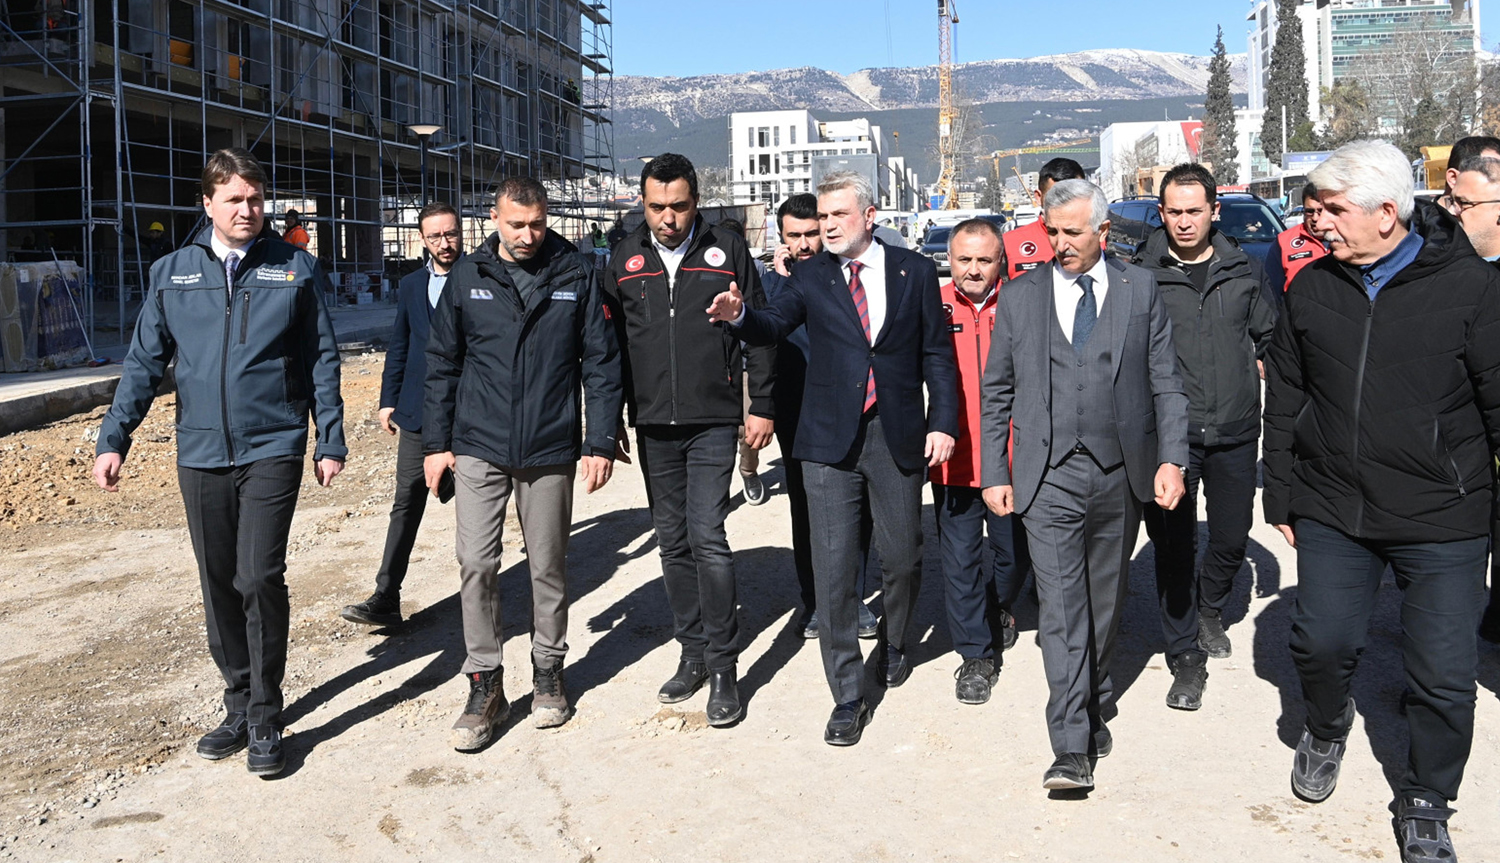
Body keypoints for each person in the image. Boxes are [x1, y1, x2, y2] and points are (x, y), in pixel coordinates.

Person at [1262, 140, 1500, 863]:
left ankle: (1428, 795)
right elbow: (1288, 398)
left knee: (1442, 670)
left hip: (1443, 515)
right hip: (1337, 506)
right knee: (1321, 639)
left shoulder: (1472, 288)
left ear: (1387, 212)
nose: (1318, 224)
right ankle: (1327, 726)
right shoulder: (1311, 288)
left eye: (1333, 210)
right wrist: (1281, 490)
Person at [92, 148, 346, 777]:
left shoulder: (295, 269)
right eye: (234, 199)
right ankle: (237, 701)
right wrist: (113, 439)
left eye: (256, 199)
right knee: (217, 581)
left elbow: (322, 358)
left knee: (258, 576)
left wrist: (329, 438)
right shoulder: (172, 273)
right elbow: (144, 363)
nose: (247, 210)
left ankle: (264, 712)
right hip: (200, 450)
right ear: (207, 204)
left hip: (272, 444)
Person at [709, 170, 959, 747]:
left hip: (894, 433)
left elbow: (937, 356)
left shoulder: (914, 272)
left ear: (868, 217)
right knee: (835, 569)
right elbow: (773, 324)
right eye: (822, 218)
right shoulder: (808, 275)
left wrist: (942, 421)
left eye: (837, 216)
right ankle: (846, 693)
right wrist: (740, 316)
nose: (827, 227)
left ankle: (896, 641)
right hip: (825, 441)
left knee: (902, 557)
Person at [979, 178, 1189, 791]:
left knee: (1104, 601)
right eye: (1052, 231)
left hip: (1121, 474)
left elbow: (1166, 383)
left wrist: (1171, 458)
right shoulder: (1020, 297)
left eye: (1072, 232)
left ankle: (1094, 696)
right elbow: (996, 392)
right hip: (1048, 479)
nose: (1059, 243)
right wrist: (995, 470)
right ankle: (1070, 744)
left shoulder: (1140, 289)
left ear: (1103, 233)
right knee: (1062, 610)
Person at [424, 177, 622, 749]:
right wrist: (438, 444)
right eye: (516, 224)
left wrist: (600, 441)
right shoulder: (468, 275)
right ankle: (485, 682)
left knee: (548, 565)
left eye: (537, 223)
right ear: (494, 218)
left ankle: (548, 670)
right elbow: (442, 363)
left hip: (550, 446)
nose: (529, 234)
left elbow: (601, 364)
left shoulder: (574, 272)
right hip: (479, 444)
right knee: (476, 562)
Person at [603, 153, 774, 728]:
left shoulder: (728, 252)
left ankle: (725, 667)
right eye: (656, 207)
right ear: (642, 204)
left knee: (708, 535)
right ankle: (693, 650)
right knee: (671, 541)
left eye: (678, 206)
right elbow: (607, 351)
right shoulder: (623, 259)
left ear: (696, 201)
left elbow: (761, 332)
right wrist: (606, 427)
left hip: (714, 419)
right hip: (652, 423)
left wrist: (761, 406)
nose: (668, 219)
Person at [1130, 163, 1276, 709]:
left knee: (1233, 537)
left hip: (1236, 427)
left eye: (1195, 211)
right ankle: (1186, 638)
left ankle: (1211, 606)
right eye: (1174, 212)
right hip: (1171, 435)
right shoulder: (1139, 273)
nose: (1185, 222)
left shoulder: (1244, 268)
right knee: (1173, 541)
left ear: (1214, 211)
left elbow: (1269, 335)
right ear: (1160, 213)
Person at [340, 203, 464, 628]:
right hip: (415, 412)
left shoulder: (479, 277)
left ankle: (482, 598)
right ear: (422, 240)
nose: (445, 244)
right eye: (435, 237)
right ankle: (386, 595)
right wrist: (387, 398)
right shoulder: (411, 285)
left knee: (475, 507)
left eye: (451, 234)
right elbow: (400, 344)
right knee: (405, 505)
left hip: (467, 415)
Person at [763, 194, 880, 640]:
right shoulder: (773, 284)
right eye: (794, 236)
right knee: (806, 509)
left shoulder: (847, 275)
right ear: (782, 238)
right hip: (797, 412)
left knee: (856, 506)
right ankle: (815, 601)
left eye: (812, 233)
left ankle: (852, 598)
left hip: (850, 407)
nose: (805, 243)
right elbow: (762, 339)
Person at [932, 218, 1031, 705]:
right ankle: (975, 655)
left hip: (1011, 460)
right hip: (951, 458)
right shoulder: (931, 307)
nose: (973, 270)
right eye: (964, 259)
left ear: (1001, 262)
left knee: (1013, 557)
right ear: (950, 260)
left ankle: (1001, 607)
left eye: (984, 260)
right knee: (960, 560)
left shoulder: (1022, 304)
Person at [1445, 151, 1500, 646]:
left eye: (1464, 203)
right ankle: (1437, 678)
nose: (1453, 211)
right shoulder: (1449, 272)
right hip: (1460, 464)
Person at [715, 216, 769, 506]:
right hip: (716, 361)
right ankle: (716, 486)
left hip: (746, 361)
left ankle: (749, 471)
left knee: (748, 429)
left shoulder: (756, 269)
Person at [1003, 158, 1088, 280]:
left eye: (1075, 196)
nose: (1066, 204)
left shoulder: (1101, 238)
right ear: (1038, 197)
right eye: (1056, 197)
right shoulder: (1009, 243)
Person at [1264, 183, 1328, 293]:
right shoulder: (1284, 242)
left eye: (1320, 211)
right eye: (1310, 211)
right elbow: (1271, 292)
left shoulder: (1347, 238)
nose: (1315, 218)